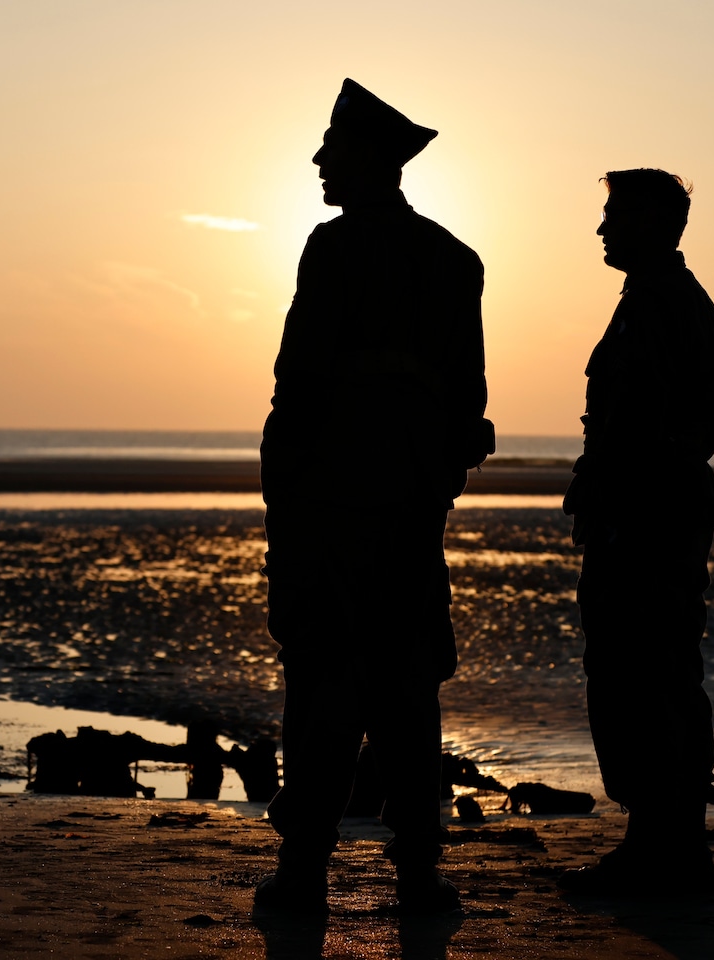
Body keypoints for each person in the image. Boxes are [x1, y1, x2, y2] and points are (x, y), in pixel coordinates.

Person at [254, 79, 490, 915]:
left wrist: (283, 497)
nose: (320, 160)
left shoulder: (336, 249)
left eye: (333, 146)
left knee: (323, 680)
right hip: (413, 512)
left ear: (371, 159)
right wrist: (430, 484)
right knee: (406, 687)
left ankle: (305, 871)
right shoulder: (457, 261)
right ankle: (419, 873)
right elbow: (471, 409)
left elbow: (300, 386)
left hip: (335, 507)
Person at [561, 169, 714, 894]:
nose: (603, 230)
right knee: (634, 667)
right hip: (634, 514)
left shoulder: (671, 302)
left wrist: (652, 475)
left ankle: (666, 843)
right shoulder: (650, 299)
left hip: (652, 522)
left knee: (649, 669)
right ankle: (660, 837)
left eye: (615, 215)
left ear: (656, 223)